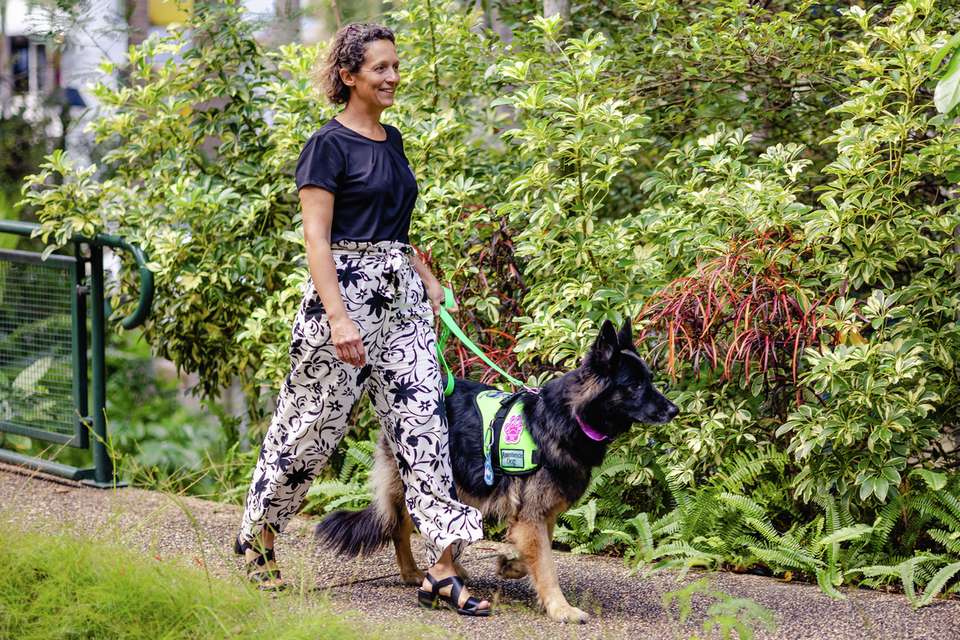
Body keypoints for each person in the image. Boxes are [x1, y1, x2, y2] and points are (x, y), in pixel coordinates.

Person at [233, 23, 491, 616]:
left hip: (403, 303)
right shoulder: (327, 146)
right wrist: (339, 318)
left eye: (395, 66)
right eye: (380, 68)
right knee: (308, 432)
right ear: (349, 76)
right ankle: (259, 540)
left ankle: (442, 569)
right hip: (343, 302)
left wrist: (428, 280)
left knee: (425, 430)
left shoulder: (392, 140)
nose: (393, 76)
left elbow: (395, 233)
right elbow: (317, 241)